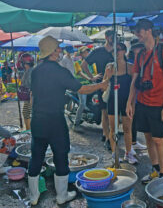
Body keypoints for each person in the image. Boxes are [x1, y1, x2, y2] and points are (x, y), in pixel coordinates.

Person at [28, 36, 108, 205]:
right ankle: (61, 196)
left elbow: (32, 96)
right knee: (61, 156)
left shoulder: (35, 71)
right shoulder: (60, 71)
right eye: (57, 48)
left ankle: (33, 196)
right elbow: (83, 88)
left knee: (36, 157)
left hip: (37, 120)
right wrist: (101, 85)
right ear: (52, 52)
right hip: (55, 121)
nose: (60, 51)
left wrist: (31, 115)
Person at [126, 19, 163, 183]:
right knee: (147, 137)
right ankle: (155, 168)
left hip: (158, 104)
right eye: (136, 31)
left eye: (139, 31)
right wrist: (129, 102)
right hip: (143, 102)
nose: (137, 34)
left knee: (158, 139)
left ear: (148, 31)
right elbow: (134, 81)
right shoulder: (140, 55)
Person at [103, 42, 138, 164]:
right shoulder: (109, 67)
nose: (116, 53)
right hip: (113, 100)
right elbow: (104, 86)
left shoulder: (130, 67)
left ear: (124, 51)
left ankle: (128, 153)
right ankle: (114, 152)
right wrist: (107, 76)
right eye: (114, 50)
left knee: (127, 128)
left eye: (118, 50)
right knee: (113, 128)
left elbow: (134, 87)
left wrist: (132, 103)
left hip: (126, 101)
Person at [82, 30, 114, 149]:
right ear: (106, 37)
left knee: (113, 112)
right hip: (102, 85)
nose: (113, 38)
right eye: (111, 36)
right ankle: (106, 136)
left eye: (115, 36)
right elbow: (83, 65)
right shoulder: (98, 51)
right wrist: (92, 78)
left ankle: (111, 134)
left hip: (116, 85)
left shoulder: (117, 50)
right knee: (104, 112)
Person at [128, 42, 148, 152]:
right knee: (131, 120)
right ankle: (129, 145)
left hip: (139, 96)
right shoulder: (131, 63)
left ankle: (134, 142)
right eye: (136, 52)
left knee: (135, 121)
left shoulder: (142, 62)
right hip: (131, 96)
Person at [21, 61, 34, 130]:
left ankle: (28, 130)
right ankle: (28, 129)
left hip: (30, 95)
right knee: (26, 112)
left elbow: (29, 83)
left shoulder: (30, 71)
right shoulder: (28, 70)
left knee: (26, 112)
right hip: (29, 95)